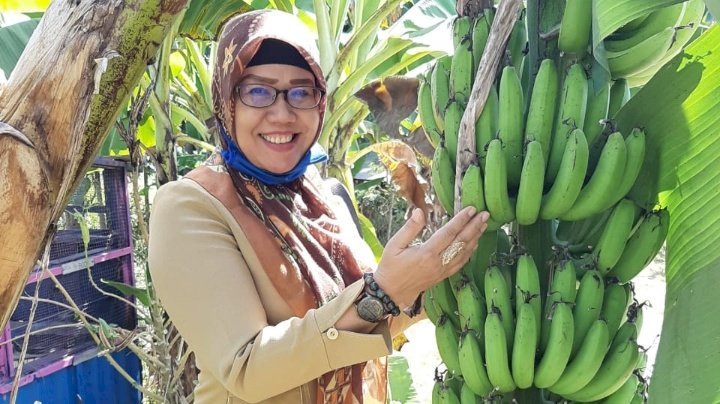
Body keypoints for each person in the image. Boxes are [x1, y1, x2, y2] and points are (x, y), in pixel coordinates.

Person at [148, 8, 490, 404]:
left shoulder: (320, 196)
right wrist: (384, 291)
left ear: (320, 102)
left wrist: (431, 278)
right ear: (227, 101)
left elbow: (365, 323)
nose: (282, 113)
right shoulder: (191, 206)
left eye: (301, 92)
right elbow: (244, 368)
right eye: (257, 91)